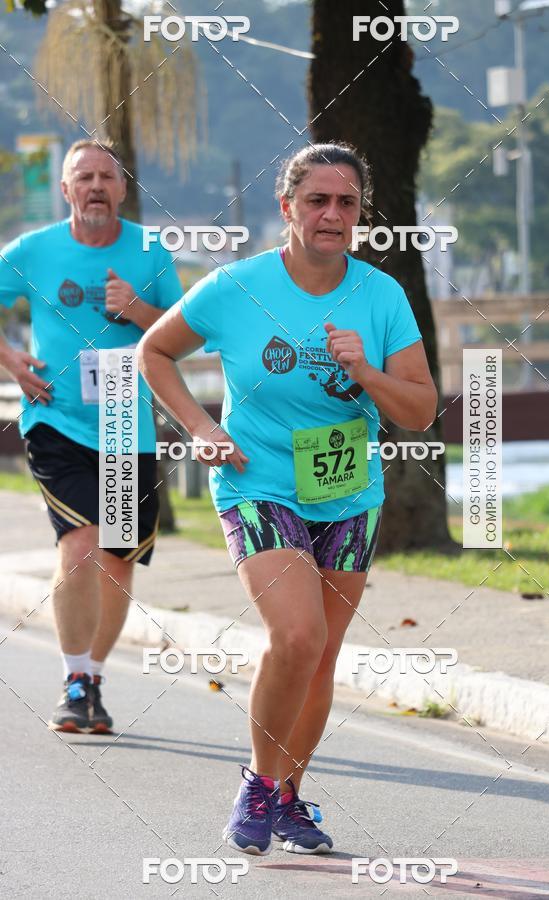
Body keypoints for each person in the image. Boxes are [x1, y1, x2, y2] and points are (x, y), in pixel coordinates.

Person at [138, 143, 437, 855]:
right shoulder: (235, 286)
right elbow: (153, 351)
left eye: (347, 203)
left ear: (361, 214)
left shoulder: (382, 296)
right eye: (317, 200)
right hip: (258, 482)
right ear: (287, 207)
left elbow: (422, 410)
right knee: (297, 636)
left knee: (322, 655)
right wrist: (202, 428)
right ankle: (259, 783)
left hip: (347, 491)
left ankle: (288, 796)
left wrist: (365, 371)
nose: (332, 214)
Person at [0, 139, 182, 733]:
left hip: (127, 424)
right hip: (58, 421)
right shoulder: (35, 250)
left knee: (116, 563)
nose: (96, 186)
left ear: (123, 188)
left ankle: (93, 681)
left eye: (107, 176)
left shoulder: (151, 250)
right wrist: (10, 359)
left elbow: (187, 332)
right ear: (66, 189)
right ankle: (74, 678)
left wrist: (138, 311)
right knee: (81, 545)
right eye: (84, 177)